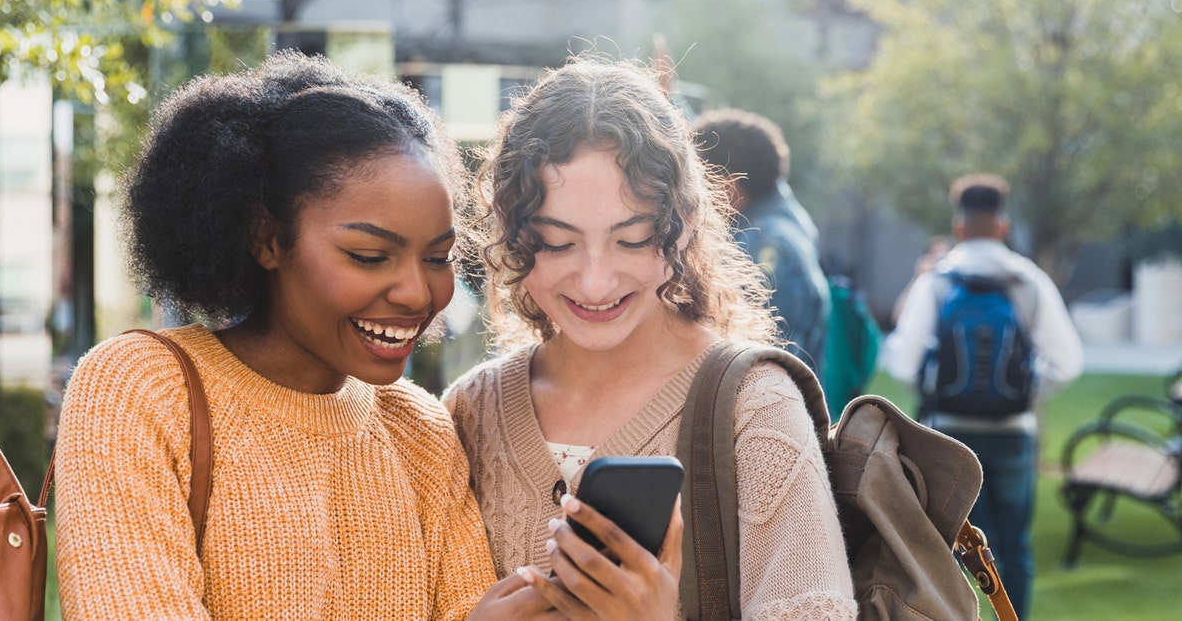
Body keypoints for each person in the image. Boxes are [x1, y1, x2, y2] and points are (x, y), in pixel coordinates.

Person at [53, 51, 570, 619]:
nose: (418, 294)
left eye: (438, 257)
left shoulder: (419, 434)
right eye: (370, 256)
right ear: (266, 239)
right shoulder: (140, 391)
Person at [444, 57, 856, 619]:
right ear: (511, 235)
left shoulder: (754, 412)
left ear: (684, 224)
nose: (594, 282)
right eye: (557, 243)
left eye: (632, 239)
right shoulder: (468, 411)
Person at [885, 174, 1084, 619]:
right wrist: (1022, 396)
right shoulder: (1029, 281)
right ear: (1002, 225)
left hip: (950, 435)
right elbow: (1068, 361)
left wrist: (936, 390)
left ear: (958, 226)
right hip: (1014, 433)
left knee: (957, 547)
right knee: (1013, 544)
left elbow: (902, 360)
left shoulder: (936, 281)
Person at [692, 109, 831, 376]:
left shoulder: (770, 247)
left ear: (728, 186)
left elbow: (764, 365)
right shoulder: (776, 226)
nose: (690, 193)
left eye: (698, 179)